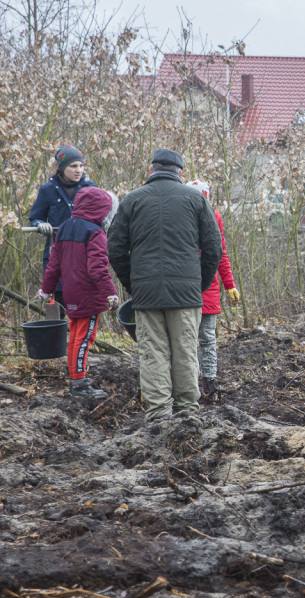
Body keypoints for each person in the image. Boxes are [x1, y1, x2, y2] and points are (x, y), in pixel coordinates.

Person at [107, 149, 222, 423]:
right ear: (179, 172)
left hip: (147, 292)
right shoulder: (196, 199)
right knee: (184, 349)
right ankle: (187, 412)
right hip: (187, 293)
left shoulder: (132, 200)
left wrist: (134, 285)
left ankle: (159, 413)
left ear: (151, 169)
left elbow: (114, 249)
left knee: (153, 352)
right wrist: (200, 284)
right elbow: (214, 248)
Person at [37, 187, 120, 399]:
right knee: (84, 338)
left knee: (75, 337)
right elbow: (98, 269)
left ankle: (76, 377)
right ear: (101, 210)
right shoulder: (95, 232)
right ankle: (79, 384)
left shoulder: (64, 228)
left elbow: (53, 265)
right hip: (89, 295)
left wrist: (46, 289)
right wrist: (110, 293)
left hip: (71, 294)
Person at [28, 145, 98, 315]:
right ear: (61, 168)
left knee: (82, 301)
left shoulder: (91, 189)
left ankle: (78, 339)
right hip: (56, 252)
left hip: (83, 253)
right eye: (73, 166)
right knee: (57, 302)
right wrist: (39, 224)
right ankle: (56, 338)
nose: (79, 170)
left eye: (81, 166)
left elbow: (100, 218)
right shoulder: (47, 190)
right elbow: (36, 216)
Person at [187, 180, 240, 398]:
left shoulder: (214, 217)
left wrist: (230, 285)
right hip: (184, 289)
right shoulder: (179, 218)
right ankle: (189, 384)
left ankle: (208, 382)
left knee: (207, 337)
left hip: (206, 290)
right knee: (186, 339)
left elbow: (220, 253)